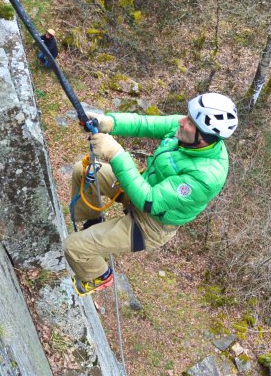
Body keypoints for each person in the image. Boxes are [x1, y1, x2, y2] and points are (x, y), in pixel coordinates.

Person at [65, 93, 238, 295]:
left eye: (189, 122)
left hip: (150, 225)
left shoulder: (206, 176)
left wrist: (116, 154)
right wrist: (107, 122)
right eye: (187, 116)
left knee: (73, 247)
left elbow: (150, 201)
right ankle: (92, 223)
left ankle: (97, 275)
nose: (181, 122)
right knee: (83, 171)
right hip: (140, 187)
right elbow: (143, 124)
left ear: (203, 138)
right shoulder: (187, 131)